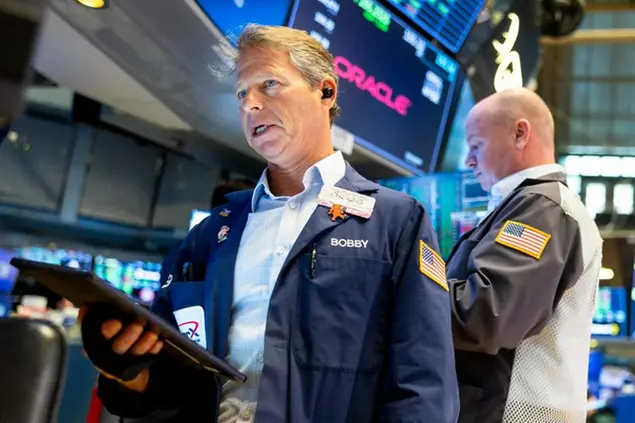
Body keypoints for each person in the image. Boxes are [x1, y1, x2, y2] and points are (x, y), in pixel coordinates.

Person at [80, 24, 459, 423]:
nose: (250, 104)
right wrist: (125, 367)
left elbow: (424, 384)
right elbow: (167, 387)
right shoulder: (211, 235)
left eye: (270, 84)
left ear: (325, 91)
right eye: (241, 94)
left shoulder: (395, 221)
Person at [447, 88, 602, 423]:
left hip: (512, 413)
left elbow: (487, 314)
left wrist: (411, 288)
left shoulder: (541, 208)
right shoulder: (533, 205)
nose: (469, 161)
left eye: (476, 146)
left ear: (520, 133)